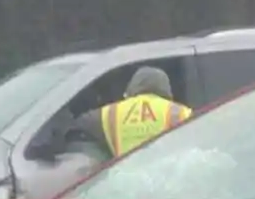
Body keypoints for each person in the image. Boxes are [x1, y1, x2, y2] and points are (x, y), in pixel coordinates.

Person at [63, 67, 194, 163]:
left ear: (131, 88)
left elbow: (79, 129)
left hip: (124, 182)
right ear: (167, 90)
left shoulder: (108, 113)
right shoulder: (183, 113)